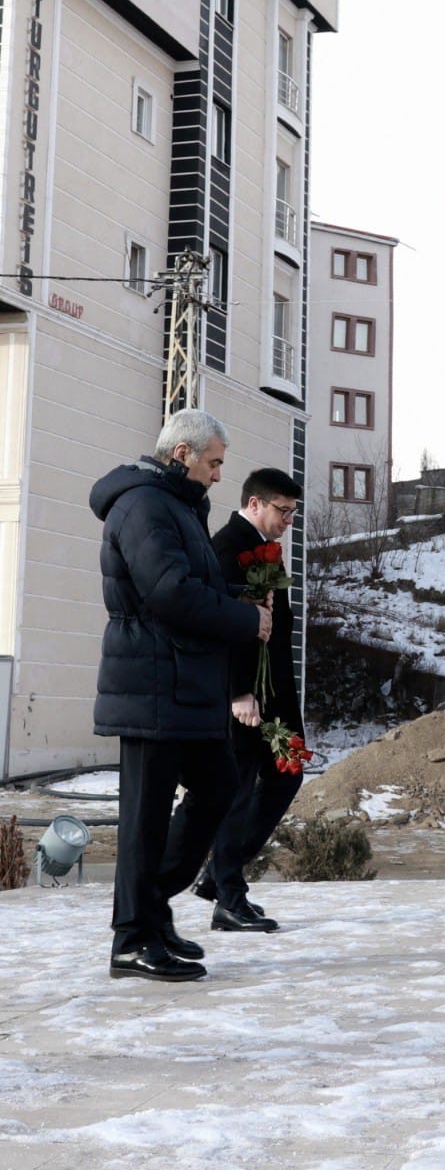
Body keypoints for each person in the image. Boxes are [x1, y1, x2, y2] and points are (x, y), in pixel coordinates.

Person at [92, 409, 271, 982]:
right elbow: (169, 593)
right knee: (143, 818)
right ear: (181, 455)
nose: (220, 475)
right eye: (214, 462)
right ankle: (132, 940)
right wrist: (246, 621)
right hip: (149, 682)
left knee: (220, 785)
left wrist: (244, 596)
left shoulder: (180, 507)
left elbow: (197, 585)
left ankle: (151, 908)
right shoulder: (144, 505)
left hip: (183, 683)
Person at [187, 468, 304, 933]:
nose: (289, 520)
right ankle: (229, 895)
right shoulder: (225, 547)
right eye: (283, 510)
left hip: (275, 692)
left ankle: (219, 875)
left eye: (294, 512)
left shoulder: (268, 550)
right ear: (254, 504)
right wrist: (239, 691)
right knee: (238, 791)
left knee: (289, 771)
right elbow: (224, 627)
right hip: (245, 696)